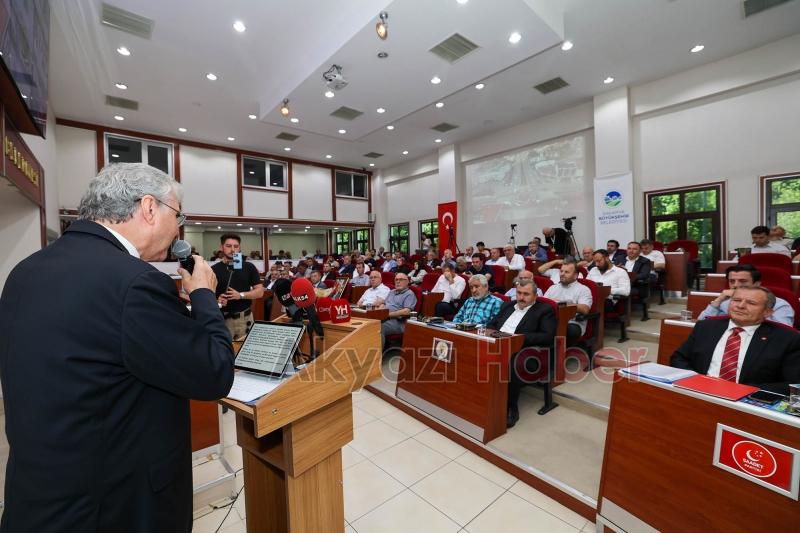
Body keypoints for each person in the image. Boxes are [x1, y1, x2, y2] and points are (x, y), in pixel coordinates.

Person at [0, 163, 234, 532]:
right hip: (115, 505)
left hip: (39, 496)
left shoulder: (26, 271)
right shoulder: (133, 283)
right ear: (149, 207)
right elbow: (213, 371)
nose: (179, 229)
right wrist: (203, 293)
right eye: (178, 215)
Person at [671, 286, 800, 395]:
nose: (741, 306)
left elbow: (793, 383)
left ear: (767, 312)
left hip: (747, 402)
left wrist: (744, 391)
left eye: (751, 303)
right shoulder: (705, 327)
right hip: (699, 392)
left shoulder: (787, 339)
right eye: (736, 300)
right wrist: (696, 380)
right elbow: (678, 358)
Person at [487, 279, 556, 428]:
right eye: (519, 293)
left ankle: (511, 407)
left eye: (526, 294)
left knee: (511, 362)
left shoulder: (545, 310)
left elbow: (547, 336)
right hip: (497, 344)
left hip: (527, 351)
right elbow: (492, 324)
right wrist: (492, 333)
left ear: (535, 296)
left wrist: (517, 339)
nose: (521, 297)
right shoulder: (507, 305)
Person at [698, 264, 794, 327]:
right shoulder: (725, 301)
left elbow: (783, 334)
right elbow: (701, 324)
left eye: (743, 281)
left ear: (757, 284)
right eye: (732, 281)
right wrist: (718, 301)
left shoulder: (780, 305)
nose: (735, 285)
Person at [211, 233, 264, 340]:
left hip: (245, 319)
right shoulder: (214, 269)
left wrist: (240, 295)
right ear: (222, 247)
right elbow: (208, 294)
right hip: (223, 319)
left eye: (236, 246)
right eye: (228, 246)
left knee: (247, 352)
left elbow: (260, 292)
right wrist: (217, 300)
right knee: (225, 353)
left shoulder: (248, 267)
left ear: (239, 248)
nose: (232, 249)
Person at [544, 262, 593, 344]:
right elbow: (543, 304)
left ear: (575, 275)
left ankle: (555, 354)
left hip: (573, 322)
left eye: (566, 272)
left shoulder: (583, 289)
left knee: (555, 329)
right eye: (561, 271)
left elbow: (585, 309)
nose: (562, 274)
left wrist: (564, 304)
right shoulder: (552, 287)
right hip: (552, 319)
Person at [377, 272, 417, 345]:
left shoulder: (409, 294)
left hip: (398, 322)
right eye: (396, 280)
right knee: (369, 324)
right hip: (384, 318)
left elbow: (406, 311)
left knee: (378, 327)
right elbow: (384, 303)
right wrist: (380, 310)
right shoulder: (391, 292)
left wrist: (388, 314)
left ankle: (377, 355)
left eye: (401, 279)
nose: (398, 281)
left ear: (407, 282)